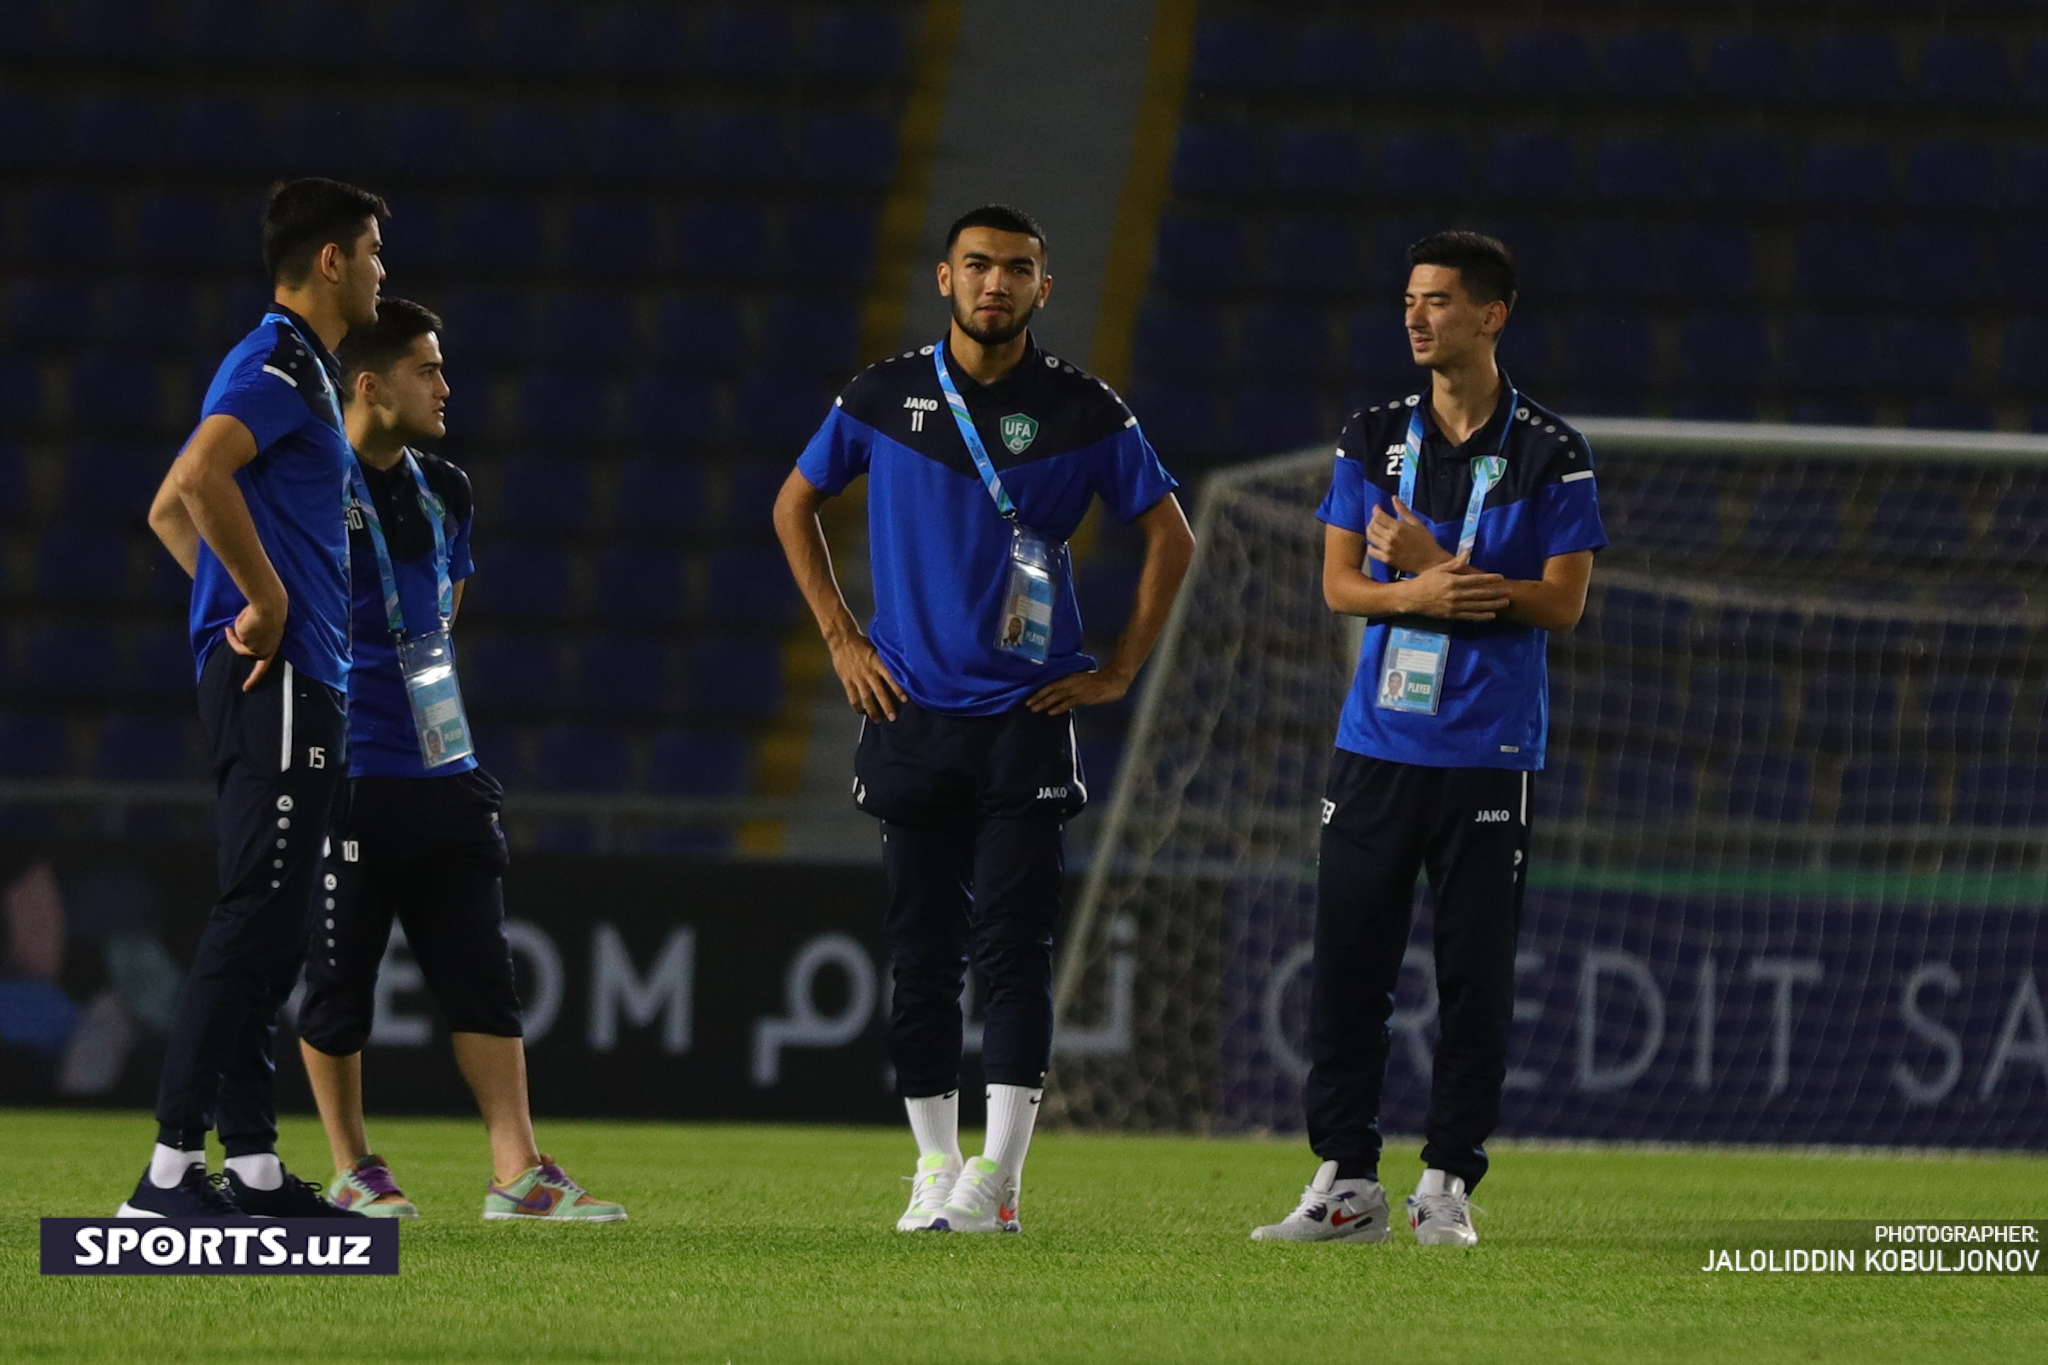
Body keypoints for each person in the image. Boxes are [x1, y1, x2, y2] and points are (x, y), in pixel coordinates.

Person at [772, 204, 1194, 1233]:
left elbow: (1171, 538)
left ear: (1043, 289)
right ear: (943, 279)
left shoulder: (1085, 410)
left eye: (1015, 270)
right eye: (977, 267)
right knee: (919, 950)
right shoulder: (881, 394)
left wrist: (1118, 670)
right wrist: (840, 638)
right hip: (909, 708)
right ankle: (933, 1166)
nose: (994, 284)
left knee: (1013, 945)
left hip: (1024, 715)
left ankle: (997, 1182)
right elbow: (791, 504)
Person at [1251, 231, 1605, 1247]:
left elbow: (1562, 605)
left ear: (1491, 316)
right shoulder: (1370, 436)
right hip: (1374, 745)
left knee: (1473, 977)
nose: (1415, 317)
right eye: (1409, 299)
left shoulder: (1550, 450)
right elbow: (1337, 586)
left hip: (1486, 752)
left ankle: (1446, 1182)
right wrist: (1419, 585)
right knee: (1348, 968)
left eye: (1438, 301)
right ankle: (1345, 1181)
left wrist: (1433, 566)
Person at [293, 299, 624, 1222]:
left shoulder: (447, 487)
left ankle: (517, 1171)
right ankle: (354, 1166)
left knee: (483, 972)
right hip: (350, 777)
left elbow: (444, 611)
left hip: (447, 770)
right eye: (426, 370)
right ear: (370, 384)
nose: (445, 387)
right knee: (339, 980)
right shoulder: (309, 481)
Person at [128, 178, 387, 1218]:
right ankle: (167, 1174)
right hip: (279, 683)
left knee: (273, 925)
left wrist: (229, 607)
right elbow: (196, 477)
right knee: (255, 919)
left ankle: (255, 1165)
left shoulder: (294, 372)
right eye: (371, 251)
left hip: (285, 681)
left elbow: (163, 513)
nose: (379, 270)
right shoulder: (280, 361)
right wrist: (263, 606)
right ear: (328, 261)